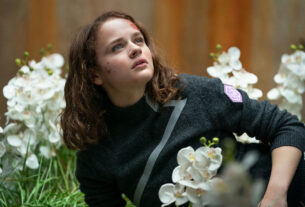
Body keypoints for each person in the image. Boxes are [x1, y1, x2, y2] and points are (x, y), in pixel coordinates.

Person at [61, 11, 305, 207]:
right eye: (117, 47)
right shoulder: (95, 157)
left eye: (138, 40)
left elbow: (287, 127)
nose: (135, 48)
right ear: (94, 74)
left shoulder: (196, 92)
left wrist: (275, 197)